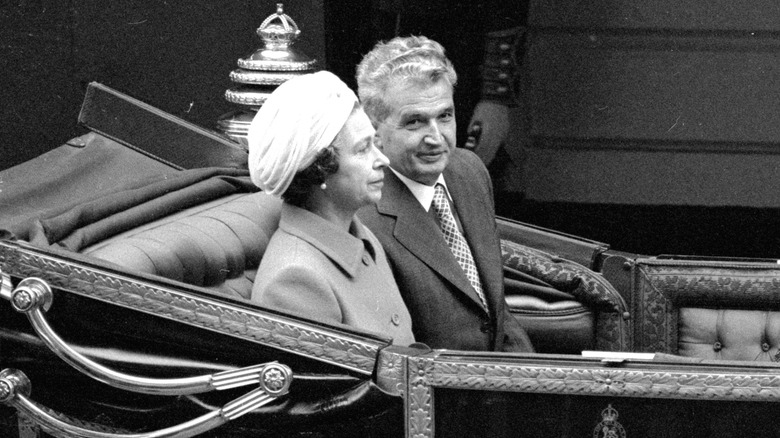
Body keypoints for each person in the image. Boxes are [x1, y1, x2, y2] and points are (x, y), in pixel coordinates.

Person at [356, 36, 533, 352]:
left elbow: (496, 313)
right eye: (415, 122)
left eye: (445, 116)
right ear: (375, 132)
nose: (436, 138)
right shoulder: (364, 216)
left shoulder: (468, 170)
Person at [247, 71, 415, 346]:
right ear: (320, 170)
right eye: (362, 150)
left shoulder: (362, 237)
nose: (382, 159)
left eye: (376, 144)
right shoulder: (295, 280)